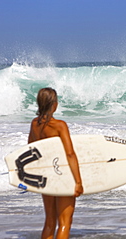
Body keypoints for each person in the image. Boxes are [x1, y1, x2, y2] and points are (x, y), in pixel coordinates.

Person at [28, 87, 83, 239]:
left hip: (46, 177)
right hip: (63, 175)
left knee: (49, 222)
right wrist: (78, 182)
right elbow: (70, 154)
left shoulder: (34, 124)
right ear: (54, 105)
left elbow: (31, 149)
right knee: (65, 222)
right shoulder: (60, 125)